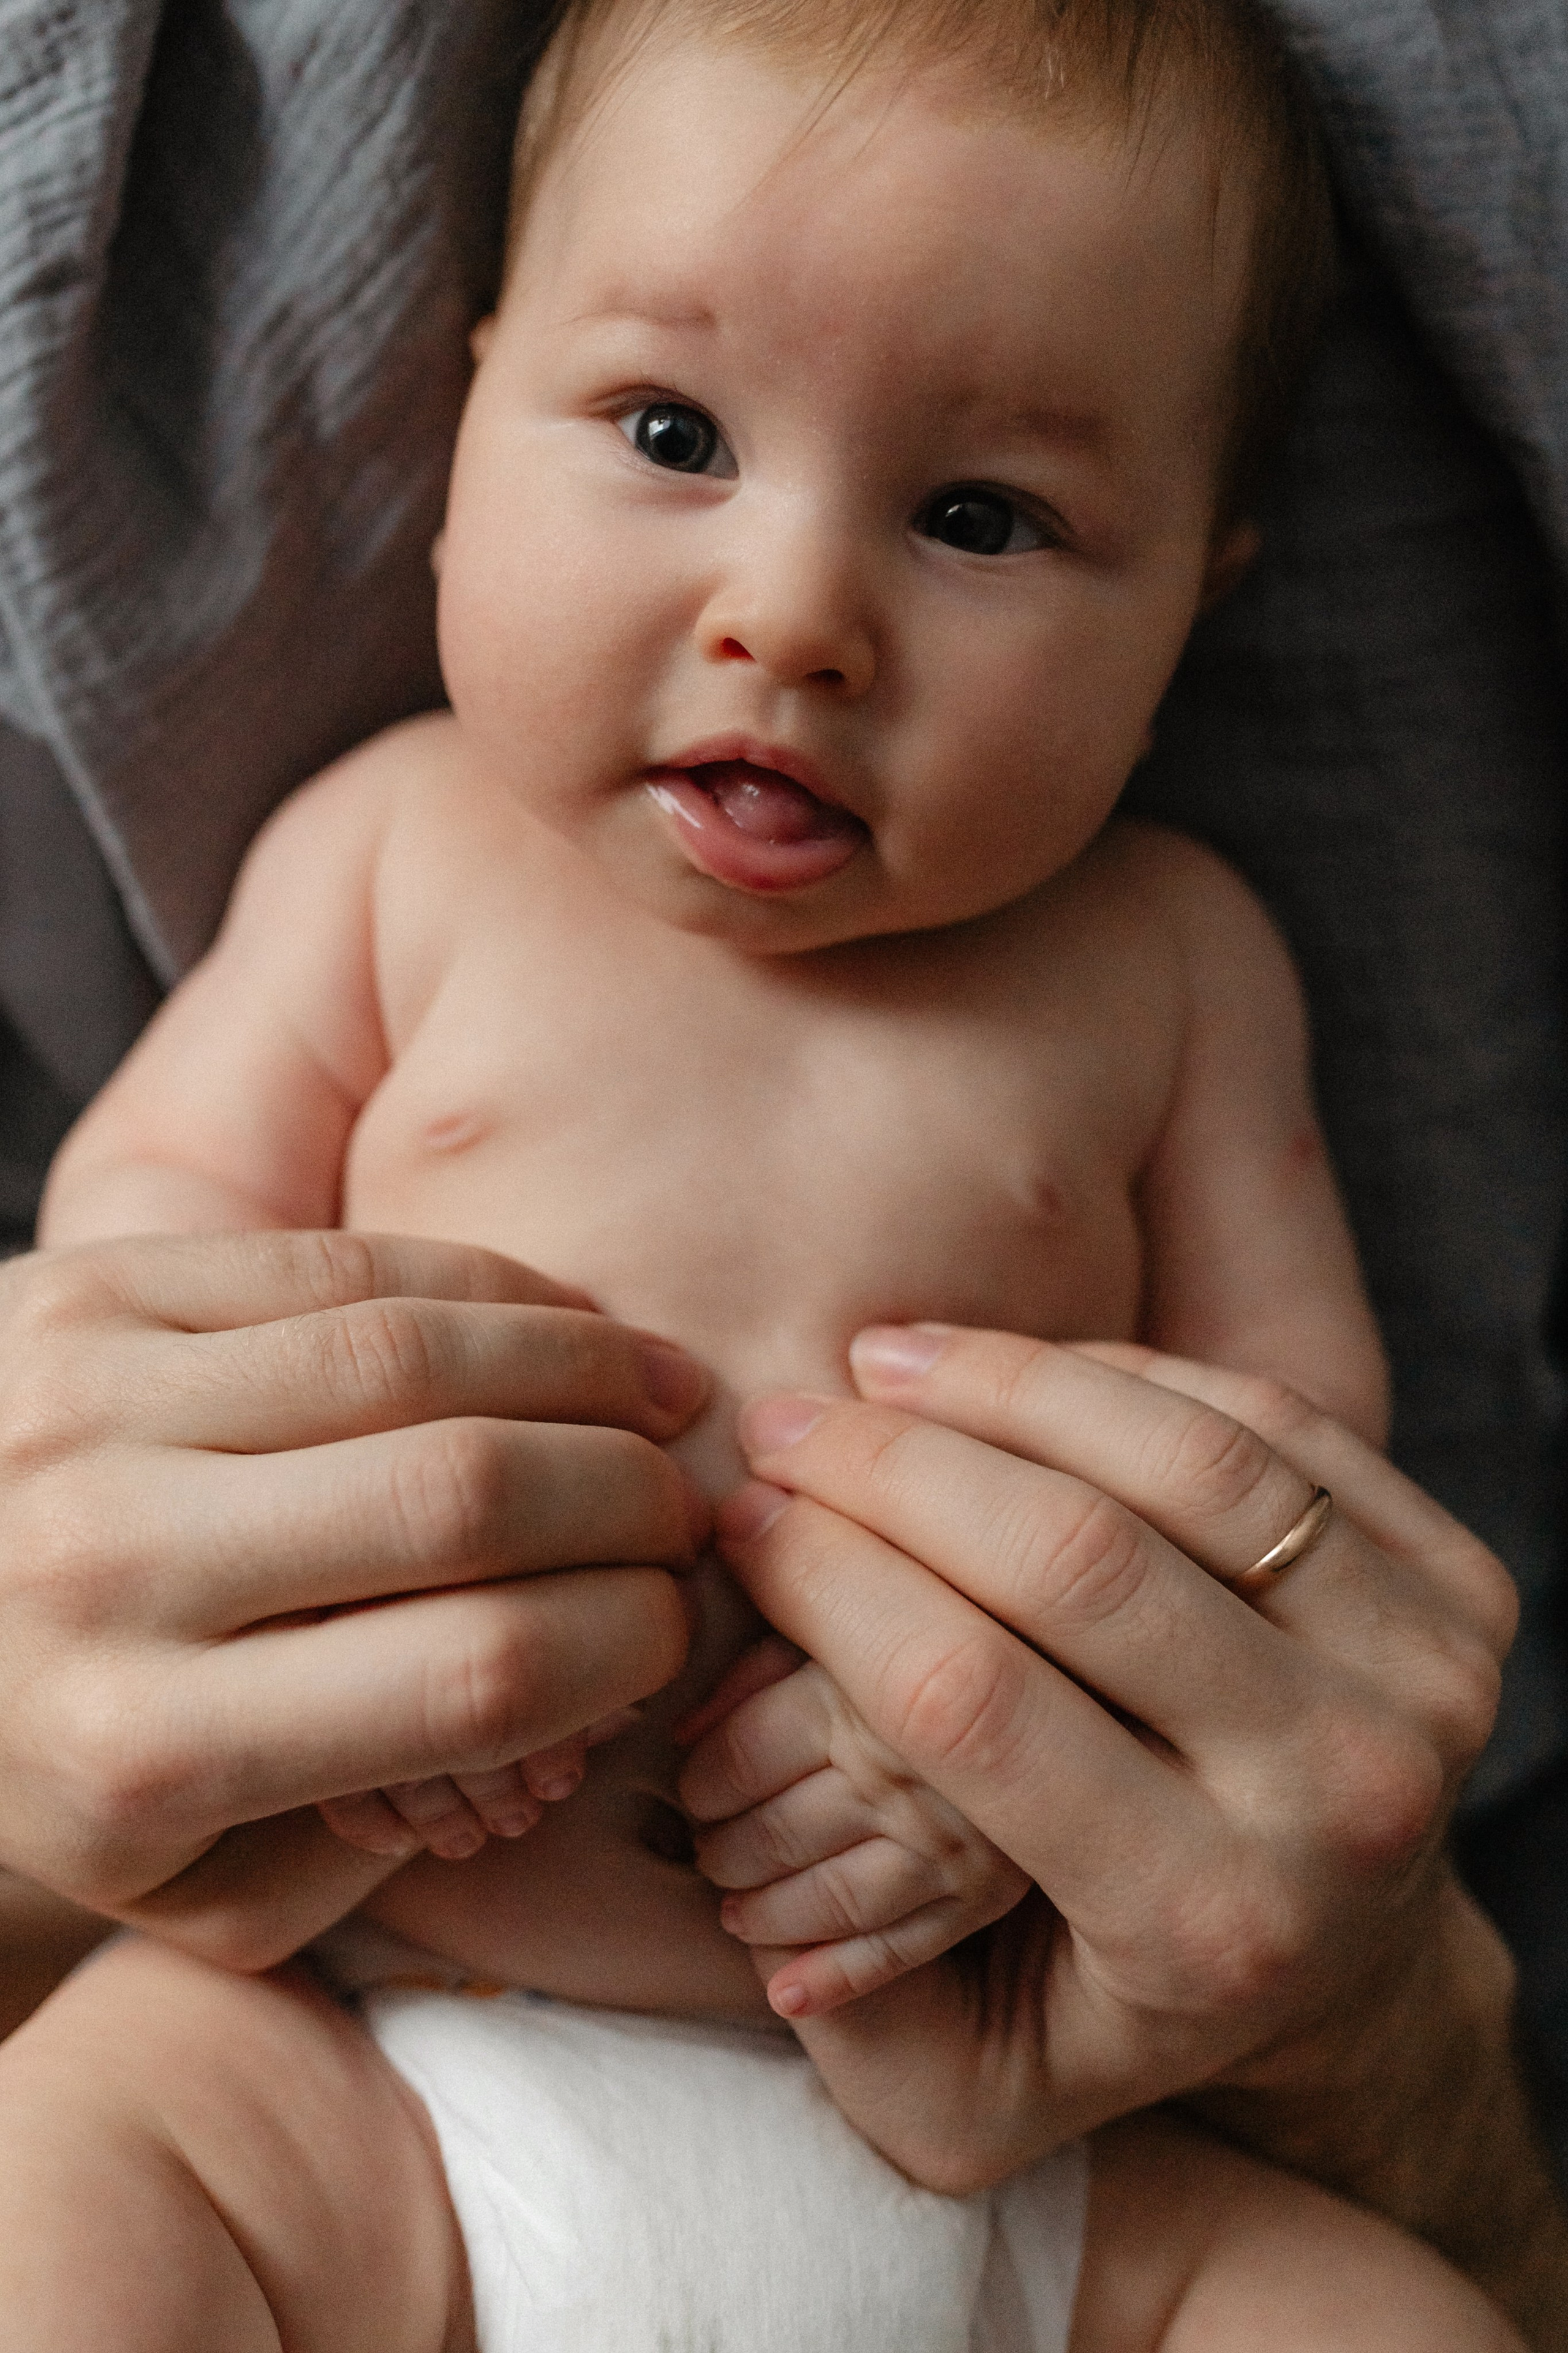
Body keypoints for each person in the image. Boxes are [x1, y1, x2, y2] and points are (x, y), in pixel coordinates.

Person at [0, 0, 1562, 2338]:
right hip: (360, 2049)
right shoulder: (394, 851)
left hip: (1025, 2121)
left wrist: (1015, 1760)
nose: (798, 616)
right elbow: (135, 1258)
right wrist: (308, 1621)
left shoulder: (1173, 965)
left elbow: (1280, 1447)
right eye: (671, 433)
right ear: (468, 415)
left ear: (1192, 602)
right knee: (48, 2215)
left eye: (980, 517)